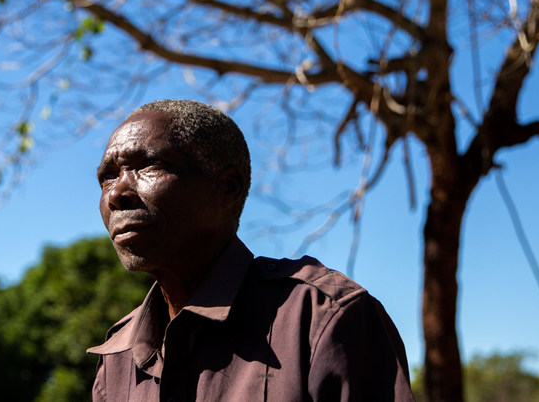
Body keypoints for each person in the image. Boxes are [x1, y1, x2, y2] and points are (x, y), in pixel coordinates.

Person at [88, 99, 415, 401]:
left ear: (226, 187)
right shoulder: (117, 358)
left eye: (148, 165)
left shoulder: (321, 318)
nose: (116, 193)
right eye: (107, 176)